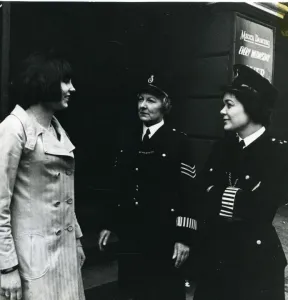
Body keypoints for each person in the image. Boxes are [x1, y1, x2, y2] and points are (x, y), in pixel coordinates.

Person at [193, 64, 288, 300]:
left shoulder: (281, 154)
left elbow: (260, 208)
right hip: (216, 259)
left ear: (252, 107)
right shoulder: (222, 147)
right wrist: (234, 196)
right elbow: (199, 194)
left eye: (229, 105)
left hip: (256, 265)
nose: (222, 111)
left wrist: (216, 193)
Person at [99, 74, 198, 300]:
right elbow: (119, 185)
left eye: (151, 100)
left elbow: (188, 193)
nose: (143, 105)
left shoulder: (180, 143)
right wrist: (108, 222)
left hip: (163, 238)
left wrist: (184, 238)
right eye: (141, 99)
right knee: (131, 291)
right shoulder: (129, 139)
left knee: (162, 293)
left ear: (165, 105)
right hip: (131, 235)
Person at [0, 52, 85, 300]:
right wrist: (7, 268)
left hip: (63, 256)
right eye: (65, 81)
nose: (72, 88)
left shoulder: (56, 128)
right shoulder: (14, 128)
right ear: (44, 82)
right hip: (32, 260)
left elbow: (64, 192)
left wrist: (77, 240)